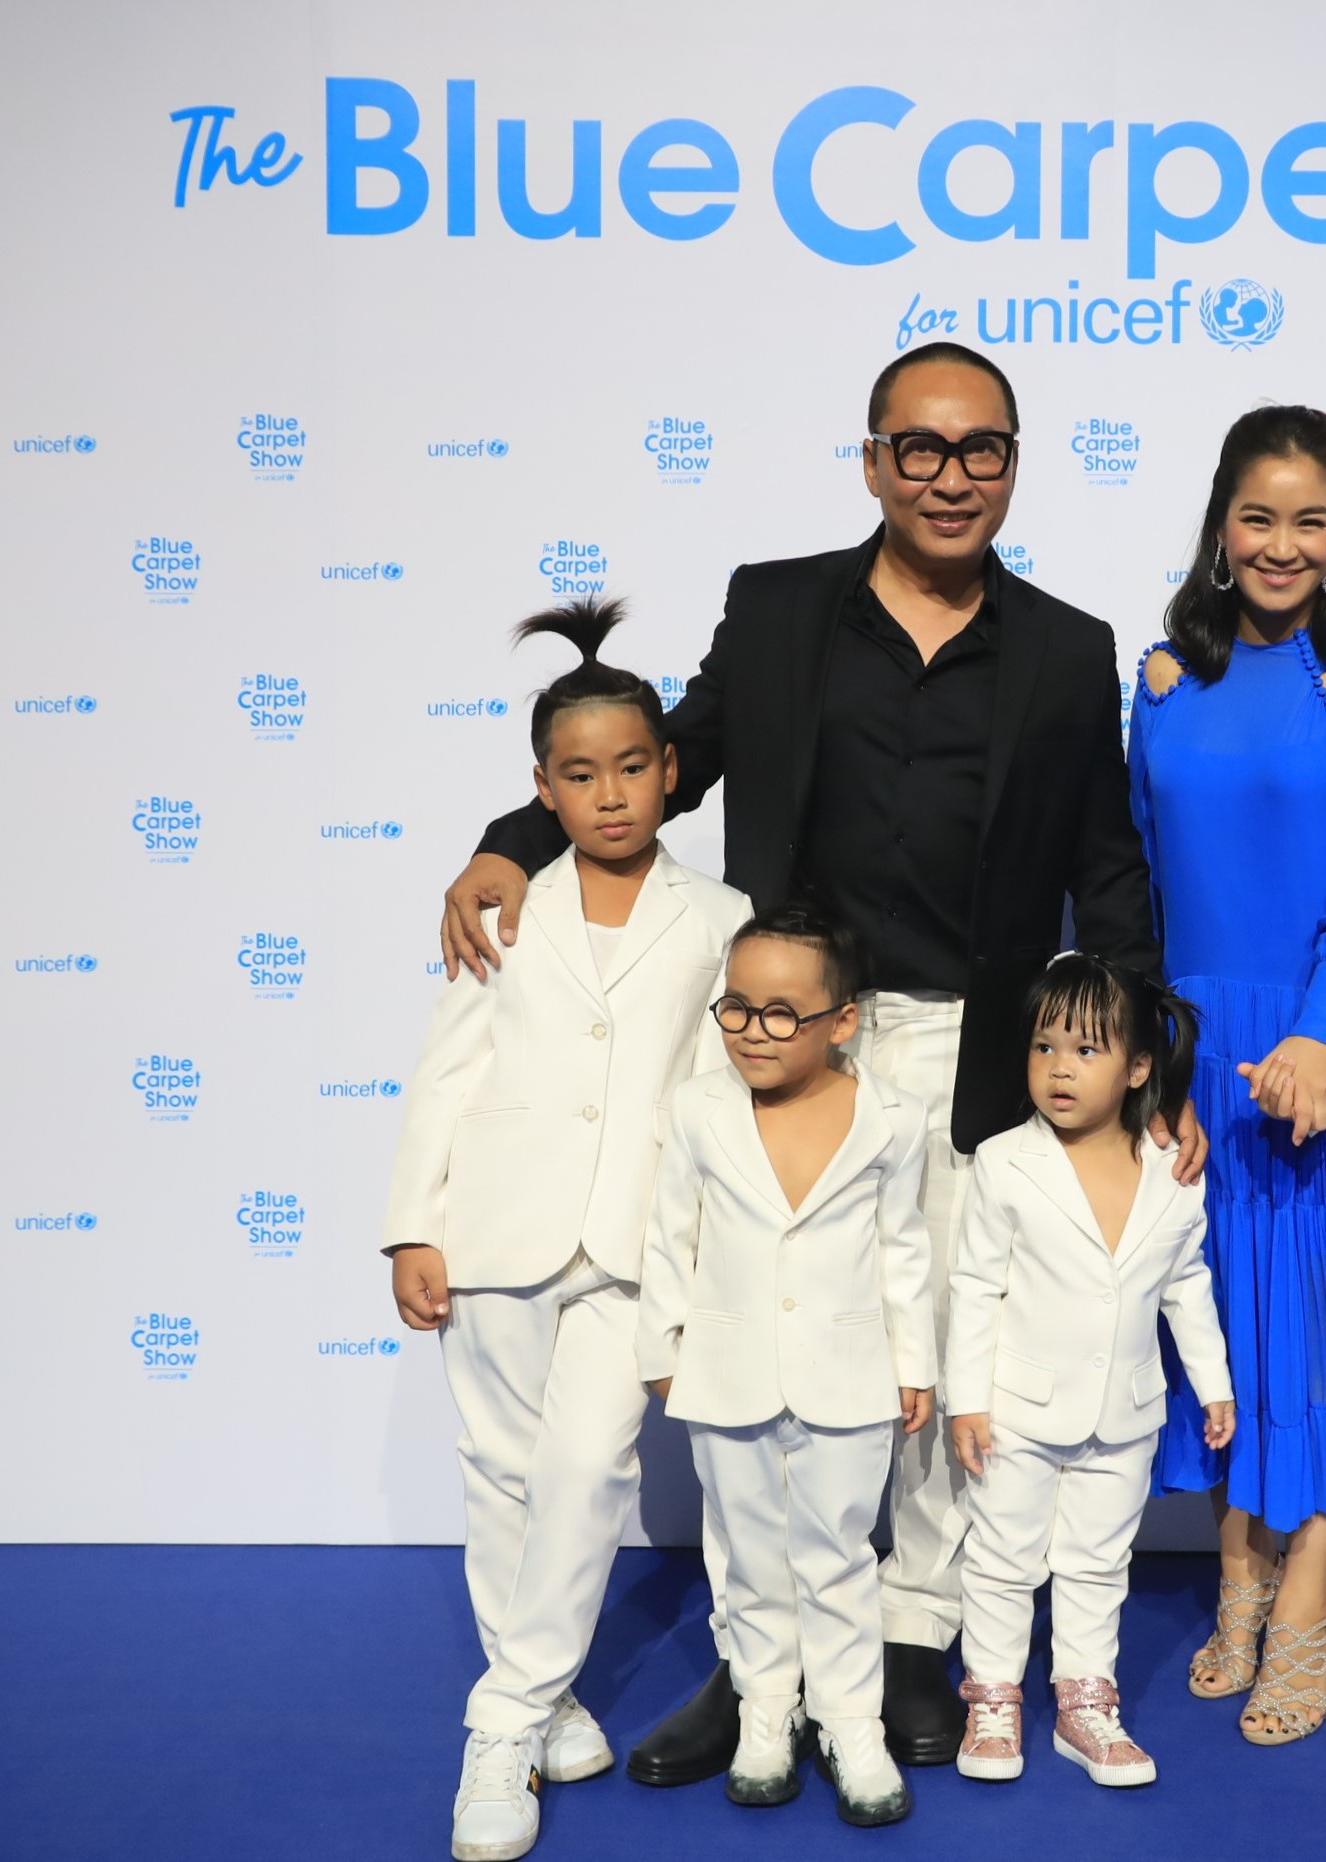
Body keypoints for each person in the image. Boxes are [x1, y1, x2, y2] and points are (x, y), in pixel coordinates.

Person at [438, 343, 1194, 1779]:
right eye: (920, 447)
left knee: (930, 1351)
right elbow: (665, 760)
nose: (950, 475)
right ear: (871, 461)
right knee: (764, 1351)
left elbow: (1106, 864)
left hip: (975, 1046)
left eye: (980, 448)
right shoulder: (778, 608)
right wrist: (508, 841)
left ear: (1014, 463)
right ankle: (758, 1660)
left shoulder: (1065, 645)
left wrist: (1142, 1062)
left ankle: (908, 1637)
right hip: (788, 1043)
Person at [379, 599, 753, 1862]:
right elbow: (447, 1068)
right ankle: (546, 1698)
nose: (610, 794)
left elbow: (713, 1095)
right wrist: (412, 1226)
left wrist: (701, 1251)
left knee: (589, 1467)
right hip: (494, 1224)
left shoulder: (720, 916)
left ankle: (498, 1723)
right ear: (541, 787)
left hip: (632, 1241)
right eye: (580, 775)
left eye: (632, 767)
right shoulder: (504, 903)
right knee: (499, 1468)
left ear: (671, 769)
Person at [1134, 406, 1326, 1746]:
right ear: (1219, 525)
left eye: (1310, 520)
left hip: (1321, 1048)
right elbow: (1137, 881)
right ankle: (1236, 1569)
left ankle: (1304, 1593)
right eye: (1257, 516)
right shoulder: (1160, 677)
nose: (1281, 543)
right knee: (1218, 1325)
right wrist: (1142, 1050)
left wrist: (1318, 1039)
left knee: (1315, 1323)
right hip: (1191, 1050)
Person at [636, 906, 936, 1827]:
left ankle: (850, 1721)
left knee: (838, 1552)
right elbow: (670, 1234)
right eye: (735, 1007)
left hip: (850, 1371)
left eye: (780, 1013)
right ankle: (766, 1708)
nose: (751, 1032)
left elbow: (903, 1248)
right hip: (724, 1367)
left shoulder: (894, 1117)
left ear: (842, 1020)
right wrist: (661, 1345)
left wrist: (914, 1361)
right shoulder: (698, 1107)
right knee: (749, 1553)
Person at [943, 955, 1235, 1789]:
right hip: (1016, 1411)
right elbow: (975, 1286)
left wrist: (1213, 1384)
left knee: (1098, 1563)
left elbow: (1185, 1283)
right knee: (1001, 1558)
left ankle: (1085, 1704)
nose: (1058, 1068)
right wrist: (968, 1399)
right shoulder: (1004, 1160)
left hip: (1126, 1412)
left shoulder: (1174, 1170)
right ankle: (992, 1699)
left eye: (1084, 1050)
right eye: (1043, 1047)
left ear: (1138, 1068)